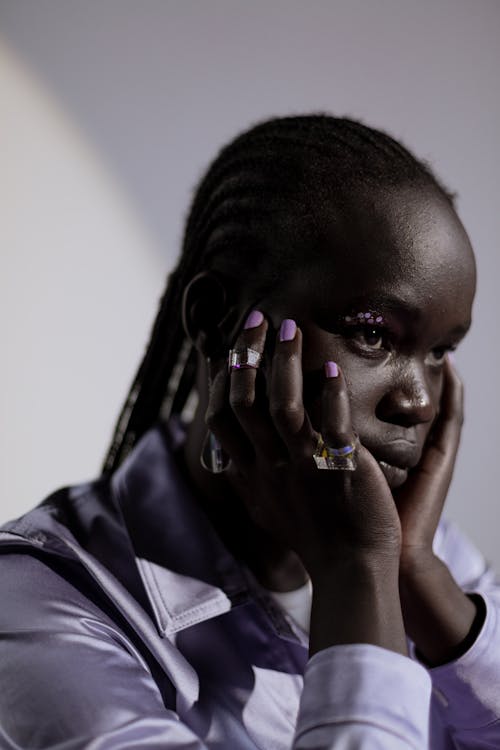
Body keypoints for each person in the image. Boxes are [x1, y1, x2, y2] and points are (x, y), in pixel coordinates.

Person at [0, 114, 498, 750]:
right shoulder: (40, 610)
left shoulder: (429, 549)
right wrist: (356, 574)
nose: (419, 401)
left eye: (439, 351)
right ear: (215, 321)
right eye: (372, 334)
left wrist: (425, 587)